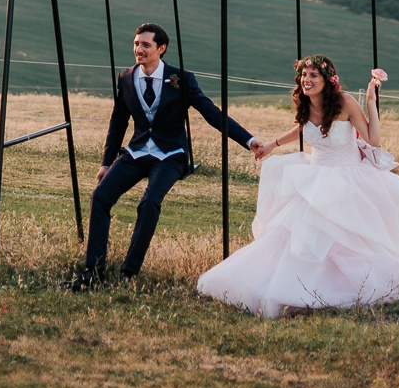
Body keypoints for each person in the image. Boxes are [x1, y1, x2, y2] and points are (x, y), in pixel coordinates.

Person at [197, 52, 399, 318]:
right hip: (315, 175)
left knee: (347, 239)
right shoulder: (304, 104)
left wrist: (371, 102)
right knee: (298, 237)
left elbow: (373, 141)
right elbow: (302, 128)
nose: (307, 80)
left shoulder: (345, 102)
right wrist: (272, 144)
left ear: (327, 79)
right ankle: (298, 287)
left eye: (313, 75)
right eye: (304, 75)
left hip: (348, 177)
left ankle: (355, 287)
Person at [64, 21, 259, 289]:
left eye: (146, 45)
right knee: (100, 196)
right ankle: (93, 272)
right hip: (137, 151)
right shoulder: (126, 78)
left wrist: (248, 140)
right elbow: (118, 121)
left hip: (170, 154)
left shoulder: (181, 79)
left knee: (150, 201)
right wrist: (106, 162)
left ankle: (128, 272)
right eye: (136, 44)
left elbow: (212, 113)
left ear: (161, 48)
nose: (139, 49)